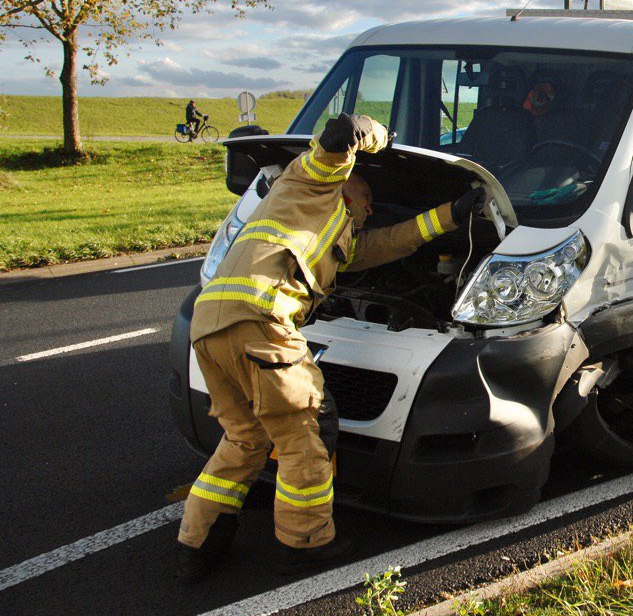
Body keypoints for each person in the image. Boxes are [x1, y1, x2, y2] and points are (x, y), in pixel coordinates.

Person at [175, 113, 486, 583]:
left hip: (210, 321)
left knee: (245, 437)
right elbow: (336, 141)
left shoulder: (332, 234)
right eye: (368, 202)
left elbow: (391, 243)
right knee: (306, 434)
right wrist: (373, 134)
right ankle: (306, 544)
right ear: (351, 190)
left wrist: (453, 215)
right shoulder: (310, 186)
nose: (370, 211)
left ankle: (197, 545)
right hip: (262, 319)